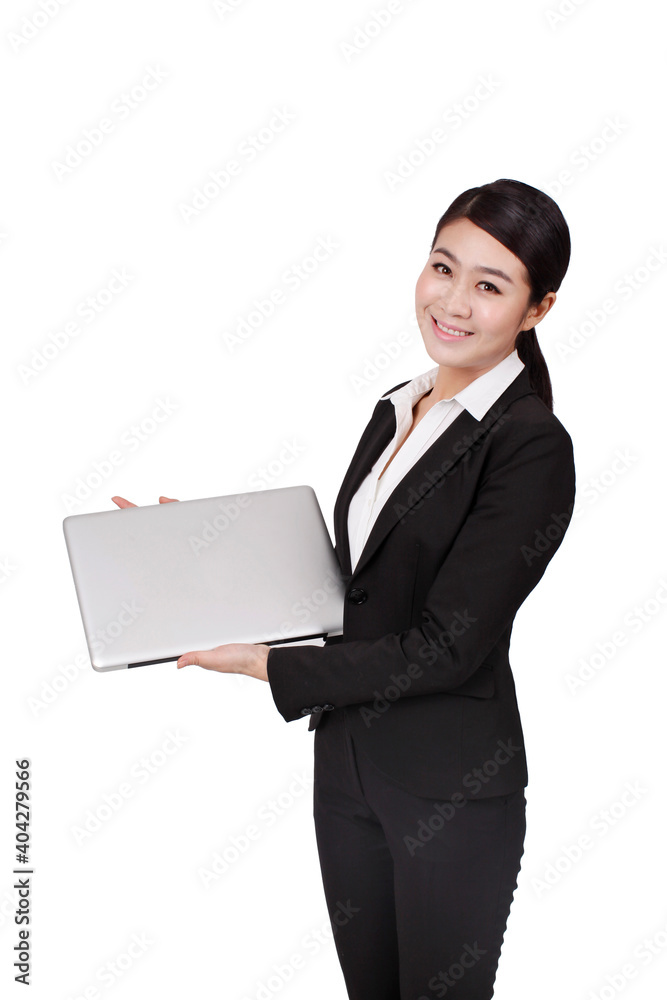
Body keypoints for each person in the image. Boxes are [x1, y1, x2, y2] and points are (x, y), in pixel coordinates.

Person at [112, 178, 576, 999]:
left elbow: (449, 645)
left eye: (489, 285)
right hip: (348, 768)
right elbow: (358, 582)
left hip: (450, 786)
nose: (453, 302)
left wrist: (267, 667)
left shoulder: (529, 446)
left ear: (535, 310)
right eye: (443, 267)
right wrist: (202, 556)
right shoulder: (396, 408)